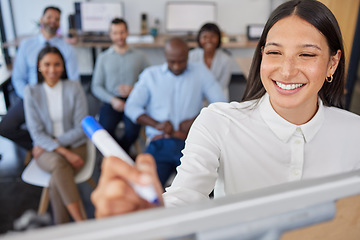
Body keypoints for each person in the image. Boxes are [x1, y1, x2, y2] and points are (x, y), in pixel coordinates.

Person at [91, 0, 360, 218]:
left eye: (307, 54)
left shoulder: (353, 132)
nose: (287, 71)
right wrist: (149, 217)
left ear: (332, 64)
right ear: (262, 55)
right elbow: (185, 196)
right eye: (274, 52)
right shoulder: (217, 122)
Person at [124, 37, 226, 188]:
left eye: (181, 61)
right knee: (147, 191)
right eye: (172, 61)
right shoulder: (150, 76)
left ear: (188, 57)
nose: (177, 66)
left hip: (191, 143)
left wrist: (195, 121)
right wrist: (156, 124)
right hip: (159, 143)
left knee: (207, 188)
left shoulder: (200, 72)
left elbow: (221, 103)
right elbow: (131, 107)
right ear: (165, 57)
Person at [0, 6, 79, 151]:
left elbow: (74, 80)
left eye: (57, 19)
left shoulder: (67, 48)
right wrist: (31, 98)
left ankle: (48, 145)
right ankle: (37, 146)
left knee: (59, 124)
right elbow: (18, 78)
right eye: (49, 17)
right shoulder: (26, 46)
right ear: (41, 20)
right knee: (5, 127)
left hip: (58, 95)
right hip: (30, 96)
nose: (53, 21)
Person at [23, 46, 87, 224]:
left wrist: (53, 143)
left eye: (57, 64)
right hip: (51, 151)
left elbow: (81, 127)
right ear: (39, 66)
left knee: (57, 177)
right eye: (47, 64)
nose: (52, 70)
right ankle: (81, 222)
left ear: (63, 66)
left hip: (75, 146)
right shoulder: (31, 92)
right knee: (59, 164)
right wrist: (63, 151)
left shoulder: (74, 87)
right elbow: (35, 132)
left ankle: (63, 229)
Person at [91, 18, 148, 154]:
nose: (119, 36)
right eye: (115, 33)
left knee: (132, 130)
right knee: (105, 129)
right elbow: (96, 86)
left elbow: (149, 82)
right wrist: (113, 100)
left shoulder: (139, 56)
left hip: (133, 100)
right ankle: (121, 155)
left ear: (127, 33)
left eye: (122, 32)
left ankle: (120, 153)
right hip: (111, 100)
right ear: (110, 35)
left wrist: (134, 89)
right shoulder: (103, 58)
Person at [188, 23, 232, 101]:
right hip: (196, 95)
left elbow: (223, 84)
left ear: (219, 38)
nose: (208, 40)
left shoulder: (226, 59)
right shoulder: (191, 56)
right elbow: (190, 81)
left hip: (217, 95)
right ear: (199, 39)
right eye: (204, 37)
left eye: (212, 36)